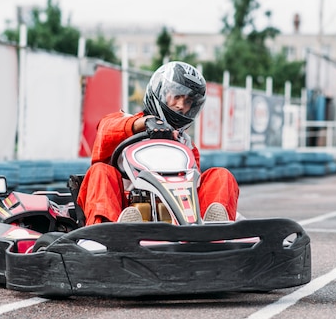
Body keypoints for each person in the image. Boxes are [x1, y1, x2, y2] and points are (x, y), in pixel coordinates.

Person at [76, 61, 239, 225]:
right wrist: (144, 123)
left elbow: (194, 186)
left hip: (177, 212)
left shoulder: (186, 144)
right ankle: (107, 232)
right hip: (123, 208)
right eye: (177, 96)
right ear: (161, 92)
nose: (181, 105)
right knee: (100, 171)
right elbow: (104, 132)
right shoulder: (124, 122)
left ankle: (214, 231)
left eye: (188, 101)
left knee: (221, 175)